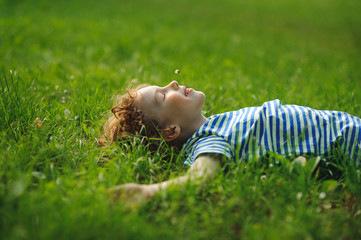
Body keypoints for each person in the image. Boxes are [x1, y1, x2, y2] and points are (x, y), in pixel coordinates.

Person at [103, 80, 361, 200]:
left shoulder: (216, 123)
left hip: (348, 127)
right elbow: (200, 178)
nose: (172, 82)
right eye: (162, 95)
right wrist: (150, 192)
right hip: (349, 143)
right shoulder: (207, 140)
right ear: (171, 130)